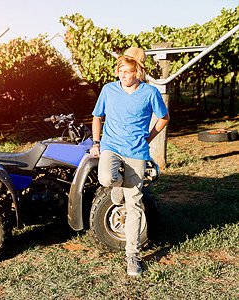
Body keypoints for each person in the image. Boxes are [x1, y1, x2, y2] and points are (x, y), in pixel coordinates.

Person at [89, 47, 170, 276]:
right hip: (111, 146)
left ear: (138, 71)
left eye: (127, 70)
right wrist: (96, 141)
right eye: (120, 70)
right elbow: (97, 116)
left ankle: (132, 255)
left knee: (134, 204)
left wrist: (149, 137)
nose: (122, 74)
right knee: (106, 178)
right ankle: (118, 187)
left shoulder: (149, 93)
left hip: (136, 151)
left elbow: (164, 118)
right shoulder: (108, 90)